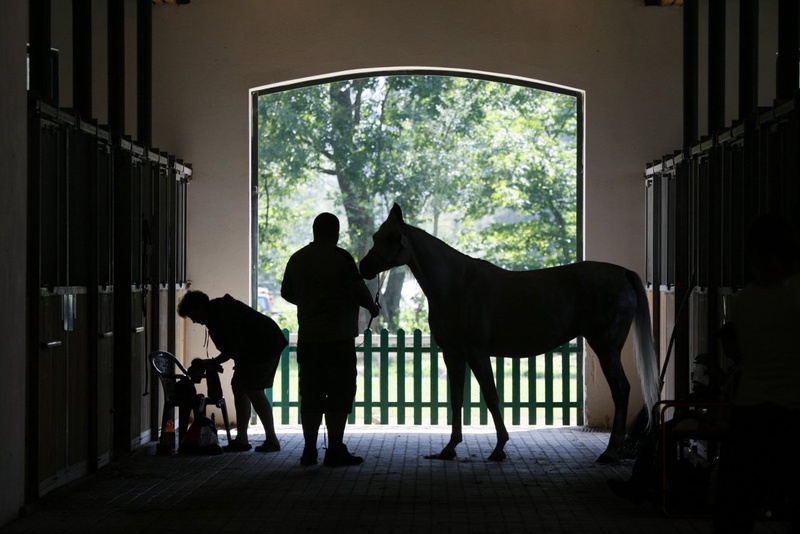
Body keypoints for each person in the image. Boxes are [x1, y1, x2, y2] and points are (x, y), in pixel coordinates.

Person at [713, 214, 800, 533]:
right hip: (790, 411)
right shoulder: (790, 296)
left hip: (750, 413)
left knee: (734, 508)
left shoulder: (744, 299)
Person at [281, 212, 380, 467]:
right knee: (339, 395)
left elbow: (286, 292)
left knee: (311, 396)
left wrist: (309, 302)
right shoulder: (342, 258)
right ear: (335, 233)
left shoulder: (298, 258)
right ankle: (335, 449)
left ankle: (309, 450)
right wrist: (372, 306)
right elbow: (359, 290)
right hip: (338, 339)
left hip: (310, 339)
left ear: (314, 231)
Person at [177, 290, 288, 453]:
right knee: (239, 386)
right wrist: (215, 362)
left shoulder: (220, 316)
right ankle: (242, 439)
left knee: (253, 389)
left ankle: (272, 439)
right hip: (256, 349)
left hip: (265, 347)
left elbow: (233, 347)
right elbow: (234, 346)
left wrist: (214, 362)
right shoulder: (217, 313)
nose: (194, 321)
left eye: (193, 316)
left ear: (200, 309)